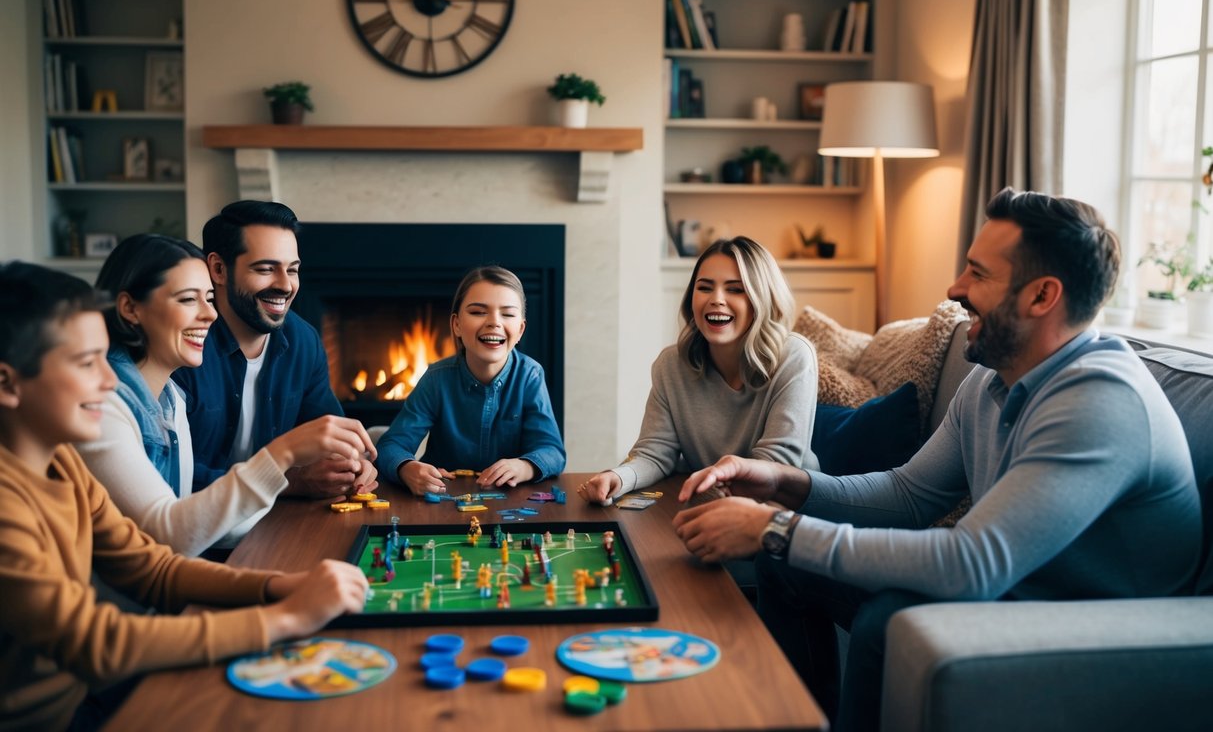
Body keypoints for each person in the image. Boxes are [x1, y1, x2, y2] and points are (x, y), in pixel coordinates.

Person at [672, 189, 1203, 732]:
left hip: (1107, 630)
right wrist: (784, 483)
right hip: (1019, 588)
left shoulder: (1100, 402)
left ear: (1042, 296)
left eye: (977, 273)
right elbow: (908, 495)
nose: (954, 289)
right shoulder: (992, 376)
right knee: (786, 566)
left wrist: (776, 528)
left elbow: (973, 563)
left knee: (883, 614)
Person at [0, 261, 368, 731]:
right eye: (85, 363)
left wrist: (277, 586)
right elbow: (96, 644)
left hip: (86, 697)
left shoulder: (63, 462)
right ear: (8, 383)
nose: (110, 380)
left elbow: (153, 567)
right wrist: (284, 619)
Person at [80, 234, 364, 557]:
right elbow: (168, 536)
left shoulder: (172, 400)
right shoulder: (100, 407)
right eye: (189, 300)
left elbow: (198, 522)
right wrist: (282, 457)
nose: (210, 315)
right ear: (130, 308)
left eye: (210, 299)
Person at [578, 236, 818, 505]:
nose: (716, 300)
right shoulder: (670, 366)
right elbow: (655, 452)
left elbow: (775, 464)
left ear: (762, 299)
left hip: (787, 508)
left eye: (735, 289)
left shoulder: (794, 356)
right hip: (712, 499)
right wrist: (619, 477)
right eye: (704, 287)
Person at [172, 200, 377, 500]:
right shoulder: (183, 345)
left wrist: (352, 465)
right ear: (218, 269)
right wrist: (287, 481)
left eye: (292, 270)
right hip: (201, 535)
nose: (285, 285)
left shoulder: (303, 340)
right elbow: (173, 475)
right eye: (266, 269)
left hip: (279, 521)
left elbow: (332, 437)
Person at [377, 265, 566, 492]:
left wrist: (523, 466)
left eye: (507, 314)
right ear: (456, 324)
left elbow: (553, 452)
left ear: (520, 330)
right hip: (441, 499)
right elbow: (391, 445)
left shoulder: (530, 376)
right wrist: (407, 468)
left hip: (510, 505)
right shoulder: (436, 379)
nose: (494, 322)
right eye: (478, 312)